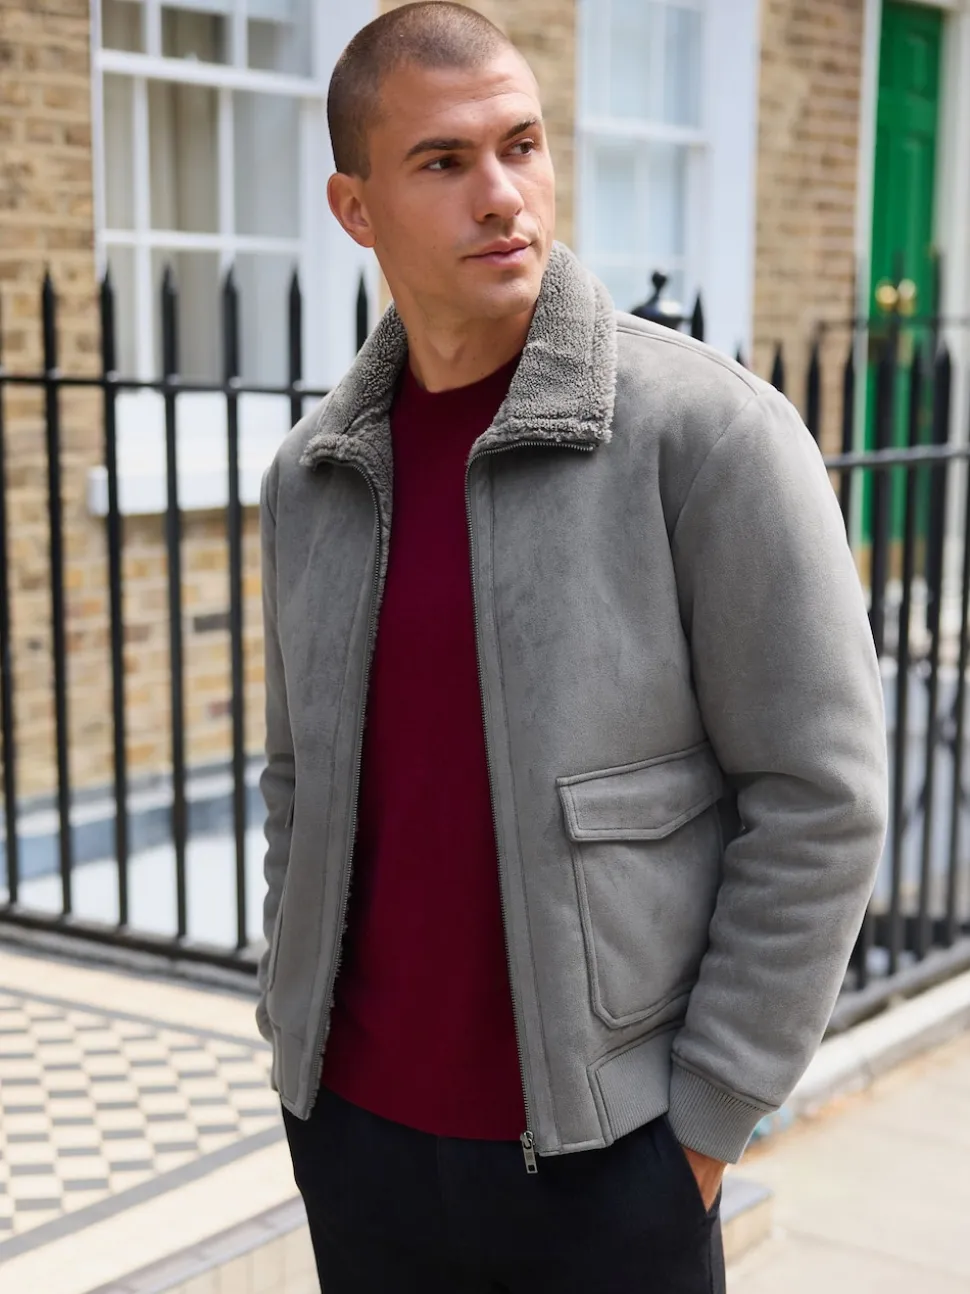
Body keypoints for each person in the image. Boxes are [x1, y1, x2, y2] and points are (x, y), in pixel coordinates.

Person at [255, 4, 888, 1291]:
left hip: (611, 1159)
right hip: (356, 1140)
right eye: (444, 161)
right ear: (355, 207)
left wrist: (704, 1124)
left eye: (522, 145)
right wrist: (296, 1043)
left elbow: (821, 797)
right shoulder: (313, 475)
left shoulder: (709, 437)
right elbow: (295, 781)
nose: (501, 194)